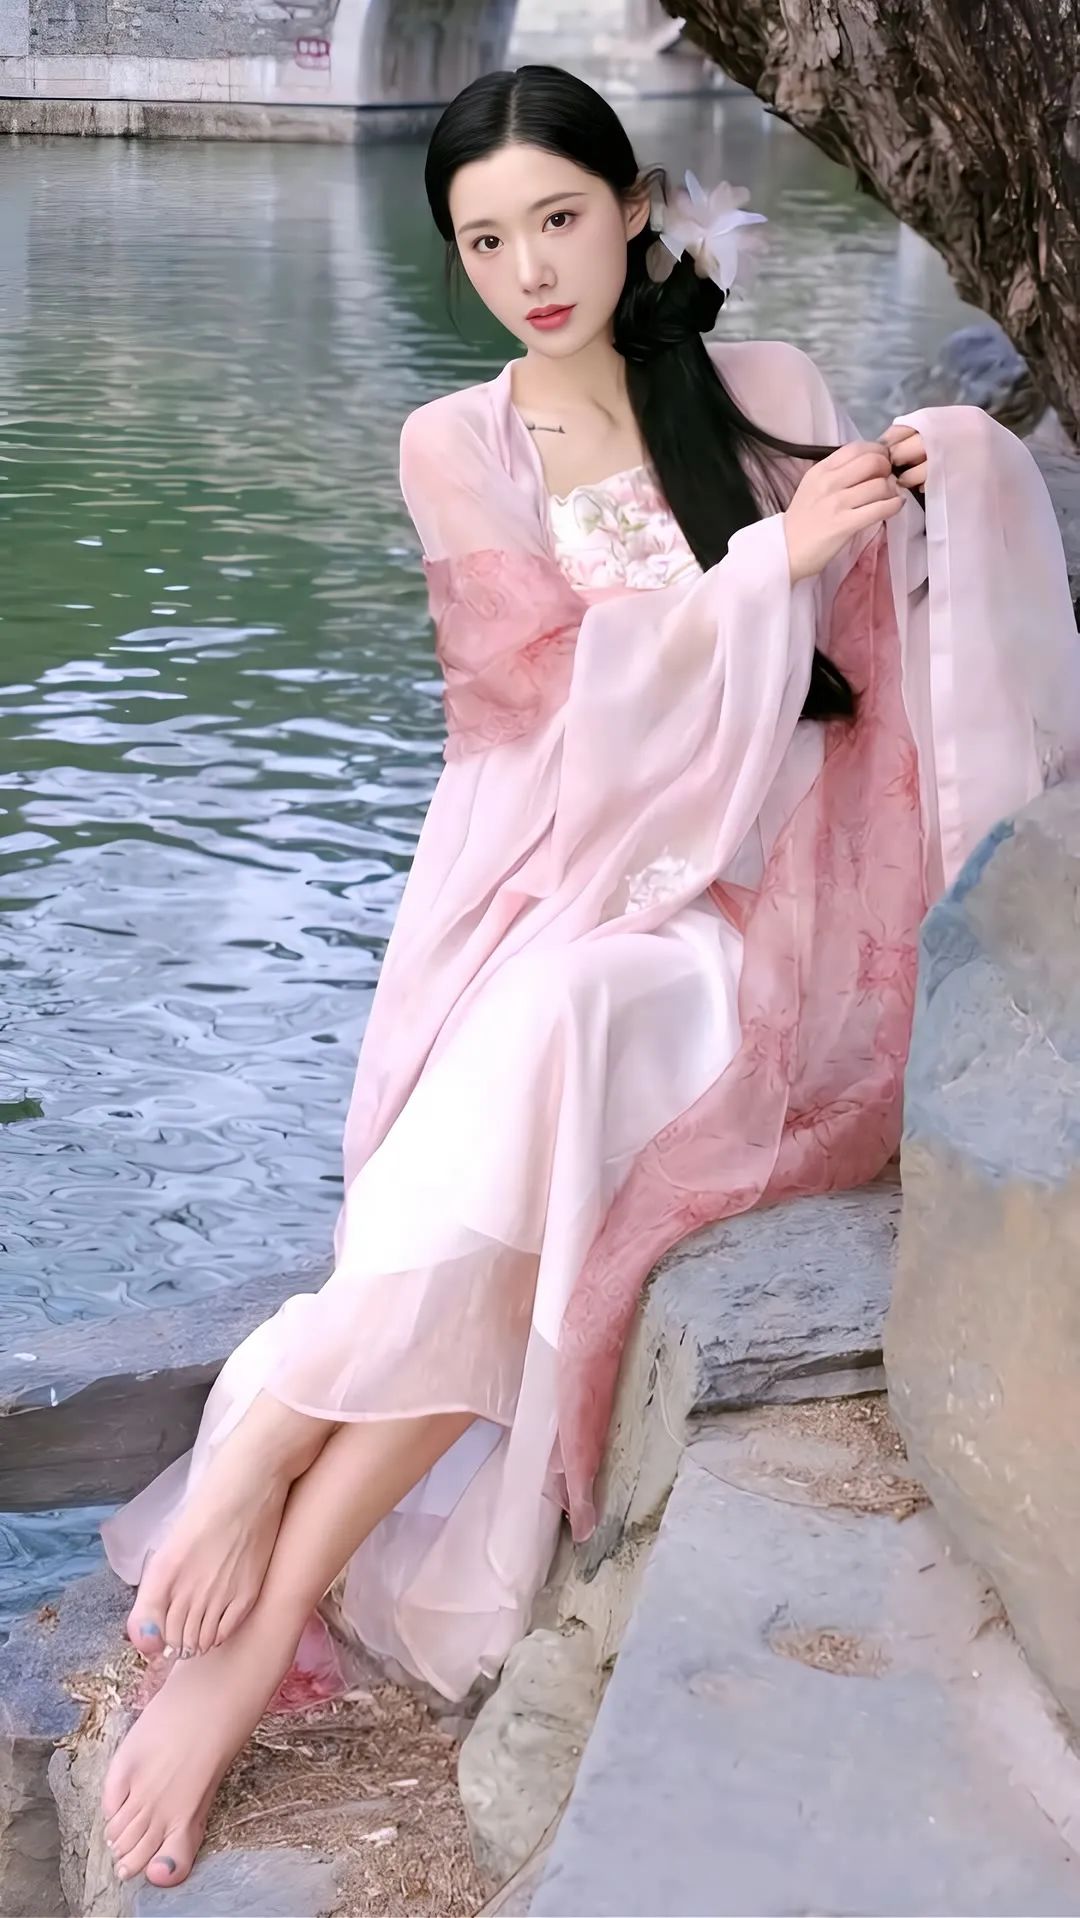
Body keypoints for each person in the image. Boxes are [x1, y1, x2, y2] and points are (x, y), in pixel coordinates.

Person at [96, 64, 1079, 1890]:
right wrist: (768, 564)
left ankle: (263, 1495)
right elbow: (540, 722)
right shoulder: (454, 444)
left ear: (635, 208)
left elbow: (863, 703)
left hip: (749, 910)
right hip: (543, 879)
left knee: (576, 1032)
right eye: (484, 242)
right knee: (542, 1074)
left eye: (558, 218)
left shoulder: (765, 391)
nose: (530, 272)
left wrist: (939, 480)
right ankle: (268, 1553)